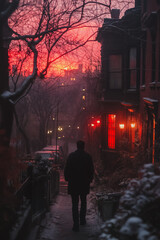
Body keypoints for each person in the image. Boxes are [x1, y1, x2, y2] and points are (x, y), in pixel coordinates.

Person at [64, 140, 94, 232]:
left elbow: (67, 169)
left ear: (77, 146)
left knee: (75, 204)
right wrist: (89, 180)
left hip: (74, 183)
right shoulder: (88, 157)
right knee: (83, 201)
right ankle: (82, 220)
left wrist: (68, 179)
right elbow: (91, 170)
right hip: (84, 183)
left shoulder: (71, 156)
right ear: (83, 147)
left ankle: (75, 224)